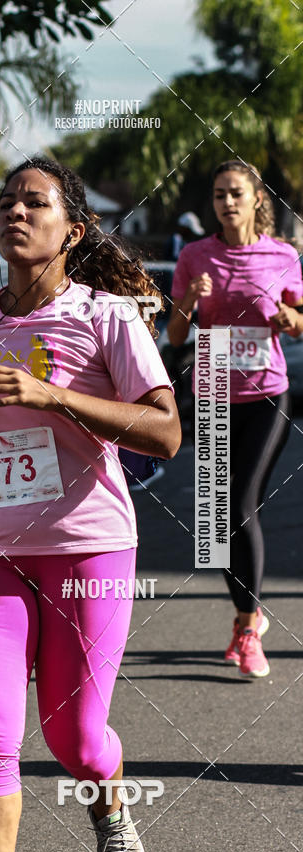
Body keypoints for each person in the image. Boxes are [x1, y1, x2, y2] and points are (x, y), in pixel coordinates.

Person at [0, 157, 181, 852]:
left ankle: (109, 797)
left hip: (87, 547)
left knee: (76, 741)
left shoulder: (107, 316)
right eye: (7, 202)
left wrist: (52, 394)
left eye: (35, 202)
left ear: (74, 229)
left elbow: (164, 432)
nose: (16, 212)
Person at [168, 159, 303, 678]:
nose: (227, 202)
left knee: (240, 505)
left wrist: (292, 319)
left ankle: (248, 629)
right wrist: (189, 300)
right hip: (213, 392)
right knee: (214, 524)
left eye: (236, 193)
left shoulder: (282, 254)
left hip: (267, 394)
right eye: (220, 193)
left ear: (255, 200)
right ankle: (246, 616)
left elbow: (296, 322)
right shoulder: (195, 255)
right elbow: (177, 337)